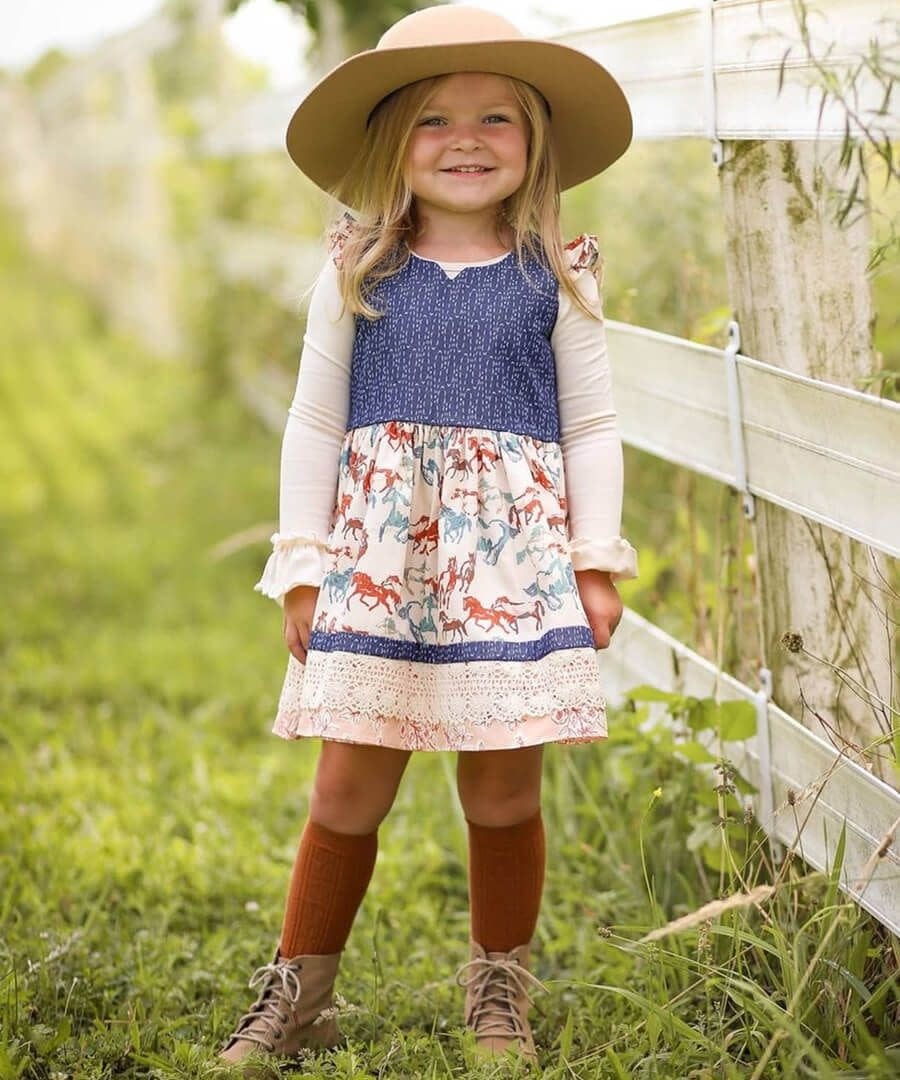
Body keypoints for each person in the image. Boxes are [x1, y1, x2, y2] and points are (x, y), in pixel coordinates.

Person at [218, 3, 638, 1071]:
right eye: (435, 119)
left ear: (536, 142)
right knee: (347, 787)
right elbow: (316, 421)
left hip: (516, 566)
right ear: (392, 142)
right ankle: (295, 992)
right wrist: (303, 565)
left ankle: (500, 990)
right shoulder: (358, 266)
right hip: (377, 566)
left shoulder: (558, 272)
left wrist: (596, 560)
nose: (466, 140)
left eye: (496, 117)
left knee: (504, 789)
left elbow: (590, 427)